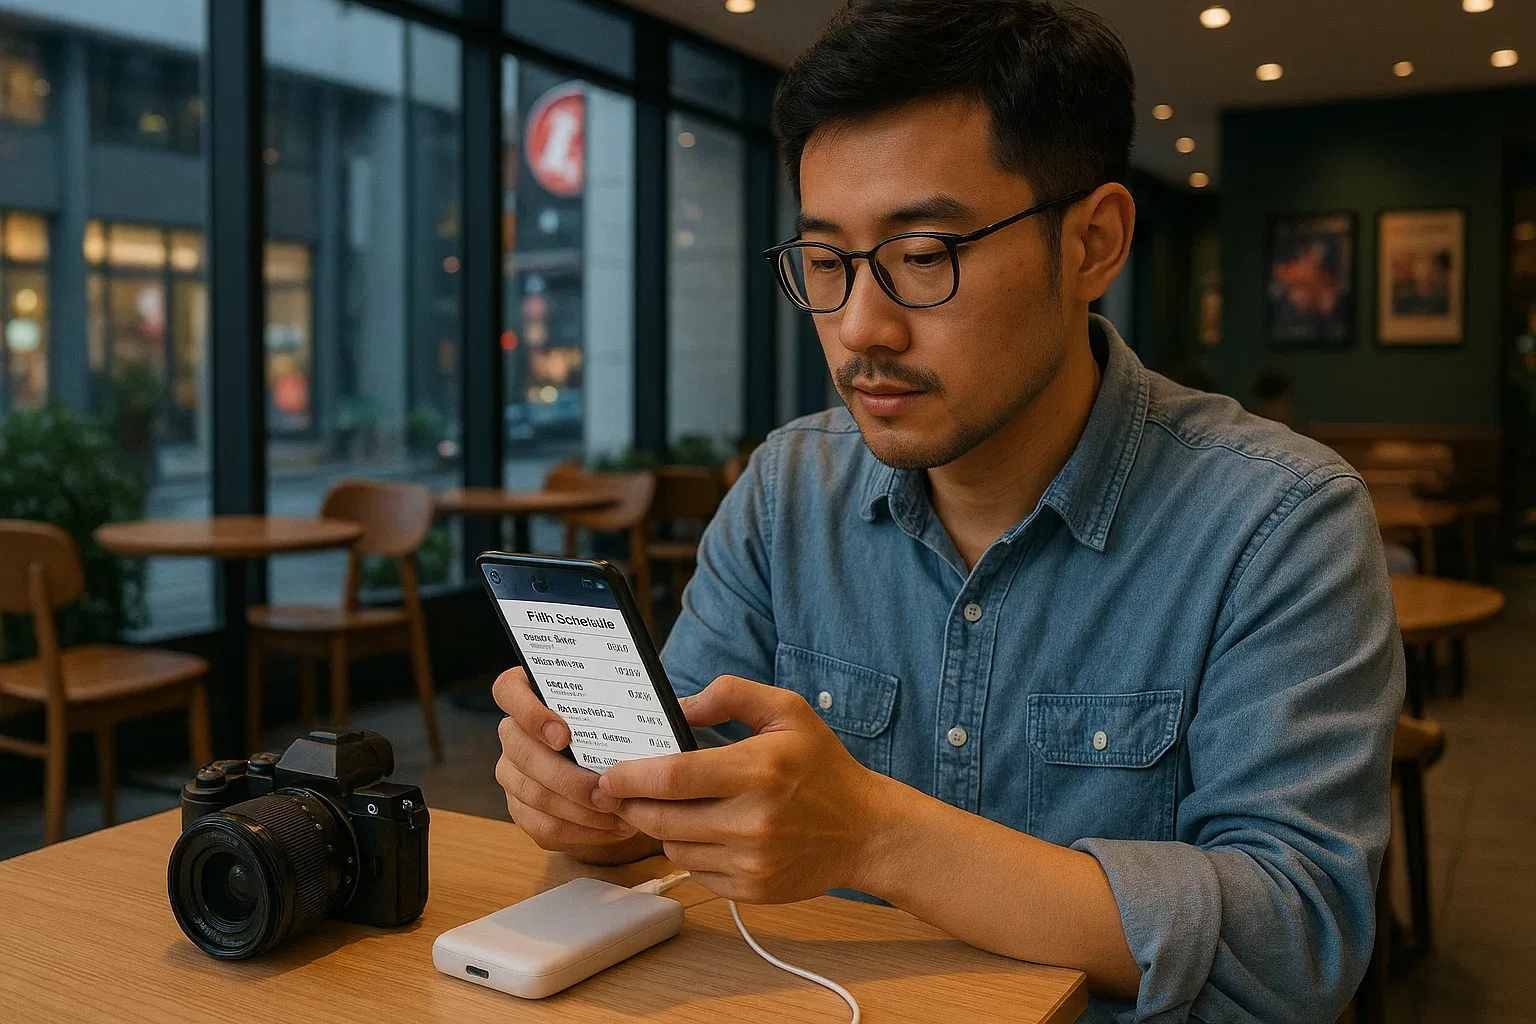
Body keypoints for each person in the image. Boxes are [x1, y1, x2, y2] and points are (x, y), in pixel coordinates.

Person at [493, 2, 1403, 1020]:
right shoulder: (789, 488)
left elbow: (1297, 940)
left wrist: (874, 832)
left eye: (924, 255)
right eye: (827, 262)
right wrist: (598, 798)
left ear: (1093, 243)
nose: (860, 329)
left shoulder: (1278, 523)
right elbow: (688, 778)